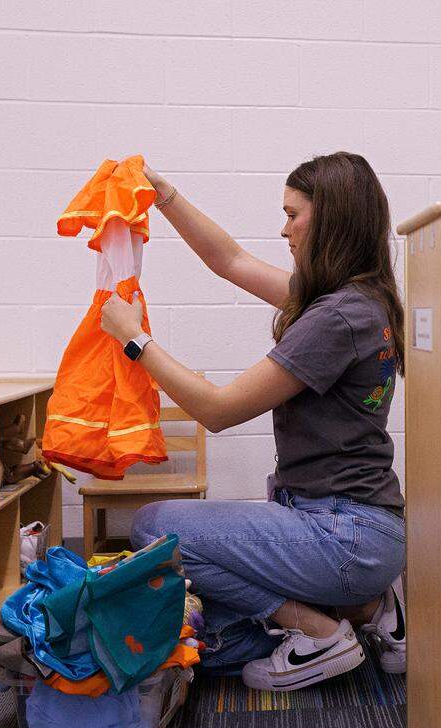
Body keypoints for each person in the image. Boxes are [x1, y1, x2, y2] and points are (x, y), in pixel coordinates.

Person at [98, 151, 406, 691]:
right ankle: (369, 608)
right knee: (209, 629)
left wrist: (134, 340)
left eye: (293, 215)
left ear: (330, 219)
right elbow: (230, 260)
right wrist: (161, 193)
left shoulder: (335, 317)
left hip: (342, 534)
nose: (284, 230)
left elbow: (219, 411)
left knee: (154, 528)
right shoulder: (358, 301)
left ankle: (319, 632)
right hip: (359, 527)